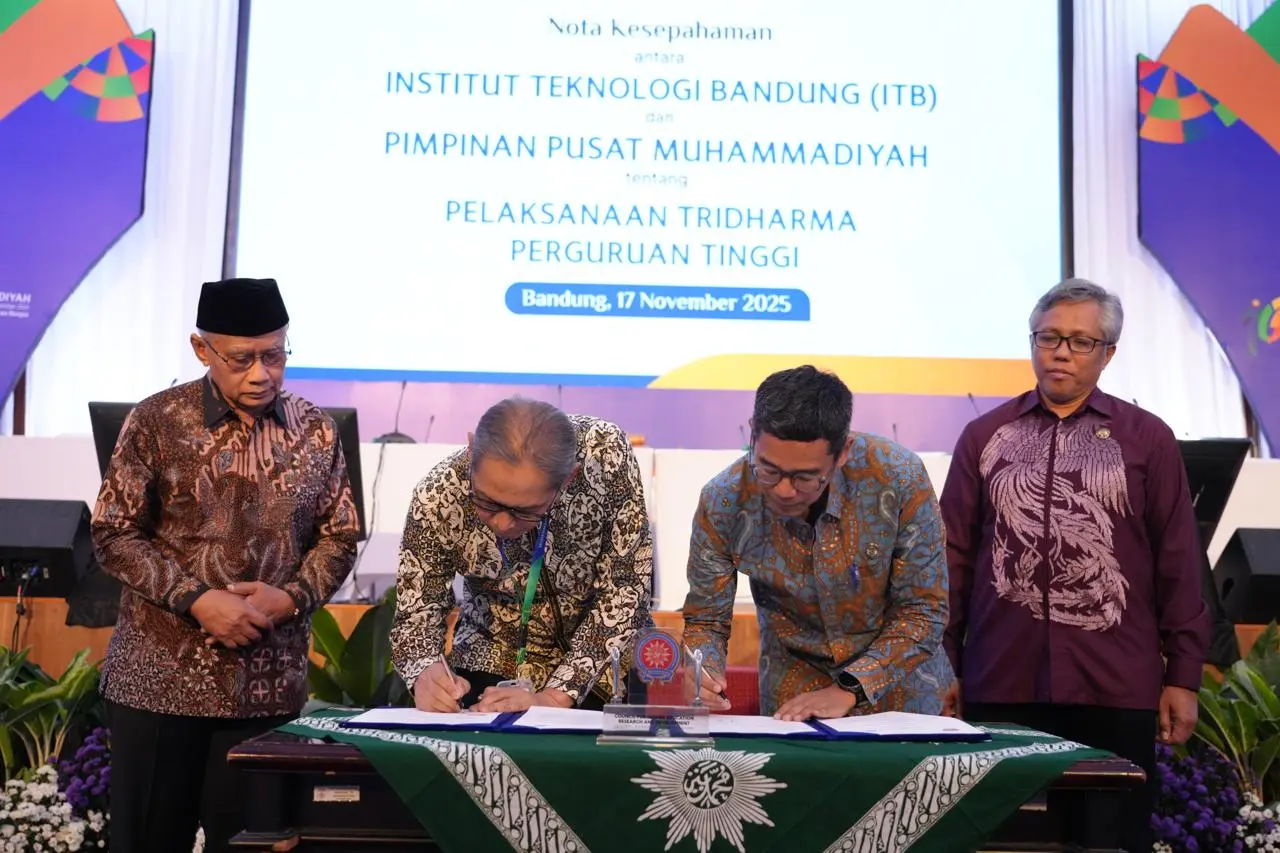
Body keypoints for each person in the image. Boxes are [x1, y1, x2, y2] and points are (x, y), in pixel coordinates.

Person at [940, 277, 1208, 853]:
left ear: (1107, 354)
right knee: (1004, 842)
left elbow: (1179, 563)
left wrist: (1183, 676)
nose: (1061, 352)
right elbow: (952, 560)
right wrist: (944, 665)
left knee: (1108, 840)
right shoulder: (985, 436)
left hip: (1114, 683)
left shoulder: (1147, 439)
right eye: (1049, 337)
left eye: (1080, 342)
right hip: (1002, 678)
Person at [91, 278, 360, 853]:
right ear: (202, 349)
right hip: (159, 682)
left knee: (253, 845)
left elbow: (339, 537)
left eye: (275, 355)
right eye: (242, 359)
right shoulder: (157, 421)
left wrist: (290, 597)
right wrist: (197, 599)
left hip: (267, 688)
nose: (261, 373)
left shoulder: (316, 429)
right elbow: (113, 532)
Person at [682, 365, 952, 720]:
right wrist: (702, 670)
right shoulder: (723, 501)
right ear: (753, 434)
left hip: (901, 694)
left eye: (805, 477)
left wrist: (851, 688)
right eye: (769, 470)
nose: (784, 490)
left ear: (843, 452)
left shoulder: (898, 478)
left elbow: (923, 610)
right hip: (794, 698)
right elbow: (706, 621)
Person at [391, 397, 653, 714]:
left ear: (568, 478)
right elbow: (416, 613)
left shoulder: (605, 454)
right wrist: (425, 671)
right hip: (492, 661)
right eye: (487, 502)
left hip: (606, 665)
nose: (502, 524)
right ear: (472, 451)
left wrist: (554, 698)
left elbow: (625, 587)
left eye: (524, 511)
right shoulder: (438, 496)